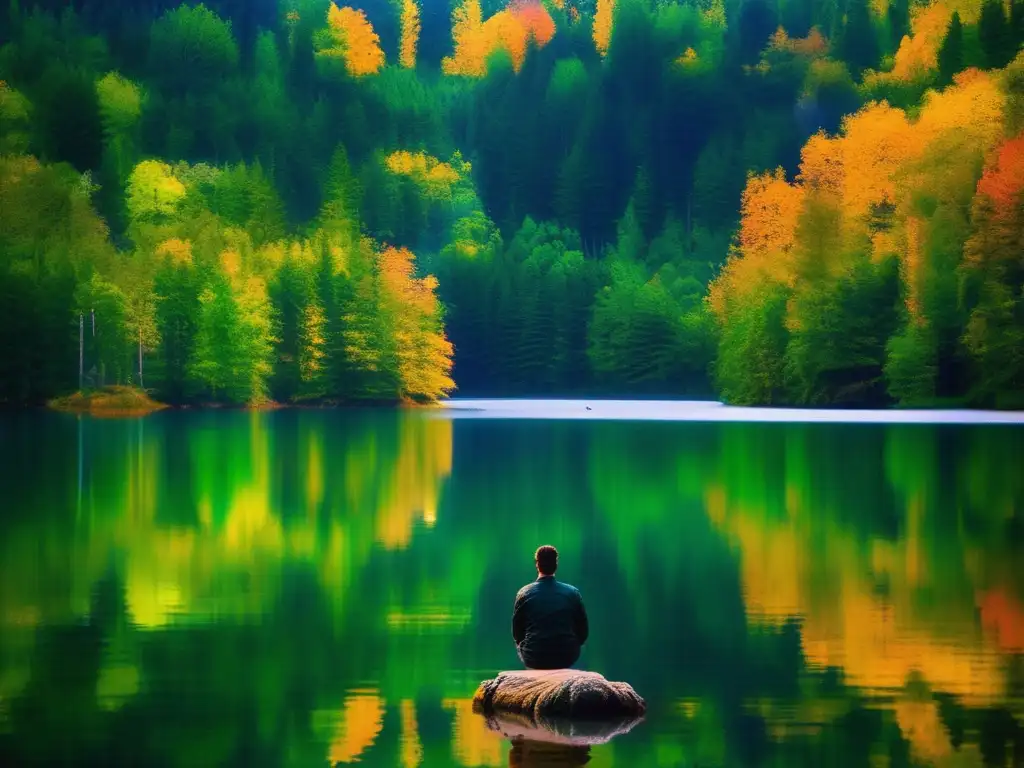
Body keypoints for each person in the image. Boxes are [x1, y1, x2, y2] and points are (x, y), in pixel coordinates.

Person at [511, 545, 589, 670]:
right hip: (567, 657)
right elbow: (583, 632)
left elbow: (517, 633)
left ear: (537, 564)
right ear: (556, 564)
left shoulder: (524, 593)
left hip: (534, 657)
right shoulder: (572, 592)